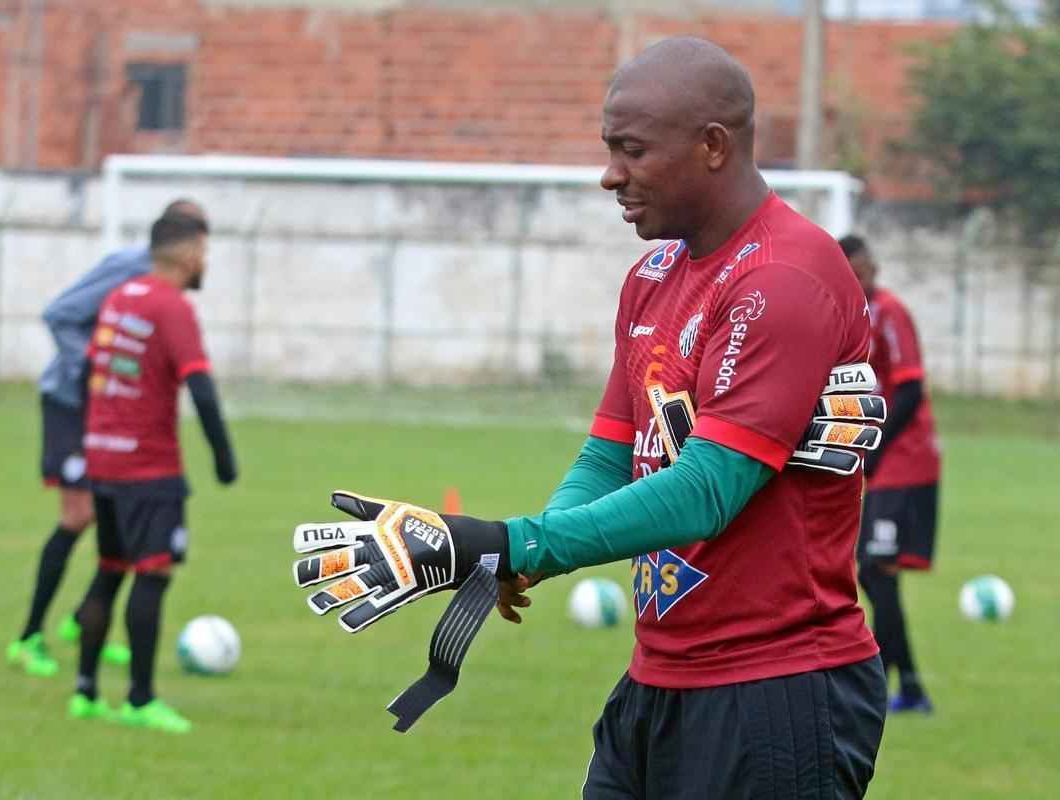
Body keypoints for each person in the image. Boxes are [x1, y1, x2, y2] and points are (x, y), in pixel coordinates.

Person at [291, 37, 888, 798]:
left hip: (773, 687)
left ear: (712, 146)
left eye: (632, 151)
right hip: (658, 680)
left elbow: (709, 488)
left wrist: (514, 540)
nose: (610, 175)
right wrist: (526, 553)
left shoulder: (784, 276)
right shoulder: (654, 275)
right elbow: (612, 450)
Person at [8, 199, 207, 677]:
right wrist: (98, 365)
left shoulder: (163, 284)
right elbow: (59, 314)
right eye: (200, 239)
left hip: (111, 413)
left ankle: (84, 623)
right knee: (80, 515)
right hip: (72, 402)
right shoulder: (129, 267)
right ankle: (29, 638)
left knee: (111, 515)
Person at [67, 212, 237, 733]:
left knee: (110, 568)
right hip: (149, 465)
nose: (205, 262)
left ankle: (86, 692)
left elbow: (88, 371)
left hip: (104, 458)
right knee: (153, 574)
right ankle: (140, 700)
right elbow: (201, 387)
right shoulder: (173, 308)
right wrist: (223, 456)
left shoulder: (120, 298)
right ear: (187, 255)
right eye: (204, 252)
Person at [841, 234, 941, 714]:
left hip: (905, 463)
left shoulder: (889, 311)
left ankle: (890, 688)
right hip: (883, 464)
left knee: (876, 572)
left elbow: (912, 388)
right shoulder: (849, 318)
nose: (863, 279)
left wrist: (876, 447)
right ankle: (907, 690)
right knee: (878, 576)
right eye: (853, 273)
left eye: (865, 270)